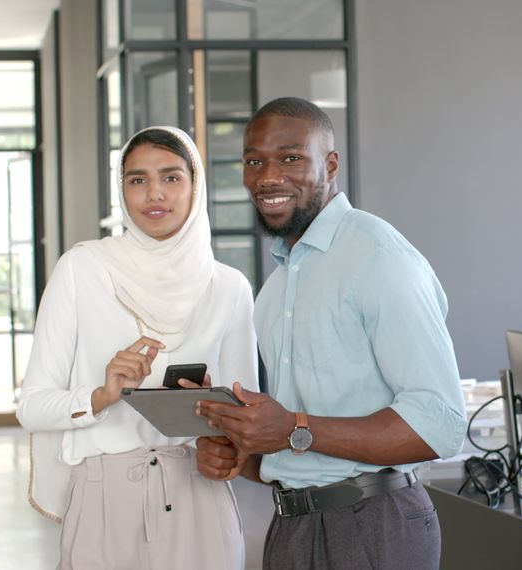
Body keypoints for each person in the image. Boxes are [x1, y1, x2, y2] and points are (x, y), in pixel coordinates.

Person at [194, 97, 467, 569]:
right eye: (254, 161)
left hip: (375, 526)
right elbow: (298, 446)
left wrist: (294, 428)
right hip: (292, 528)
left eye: (290, 158)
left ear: (331, 164)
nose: (267, 176)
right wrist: (242, 448)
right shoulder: (276, 286)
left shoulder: (379, 257)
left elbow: (438, 424)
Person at [16, 126, 256, 569]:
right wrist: (101, 396)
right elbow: (31, 407)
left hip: (198, 494)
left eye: (171, 177)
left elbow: (246, 419)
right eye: (137, 179)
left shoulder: (229, 288)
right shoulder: (82, 269)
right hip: (103, 497)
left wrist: (213, 418)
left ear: (195, 185)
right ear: (122, 188)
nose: (153, 195)